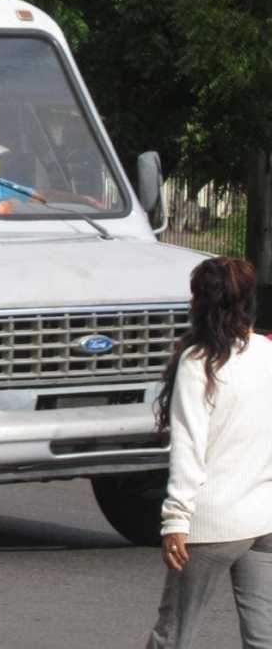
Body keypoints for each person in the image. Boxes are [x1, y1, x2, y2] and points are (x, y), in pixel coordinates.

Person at [147, 257, 272, 648]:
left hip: (212, 523)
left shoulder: (198, 363)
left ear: (199, 303)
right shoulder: (266, 354)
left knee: (174, 634)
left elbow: (188, 448)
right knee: (263, 635)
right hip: (264, 518)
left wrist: (176, 522)